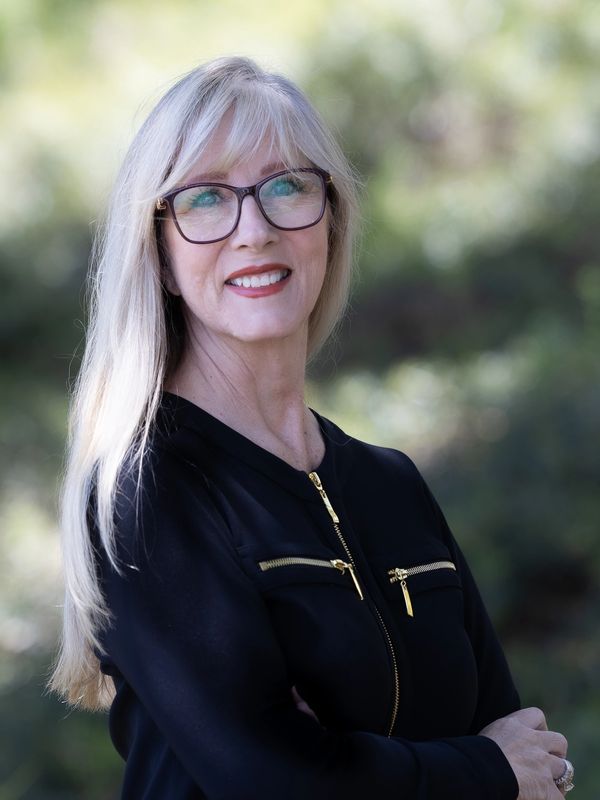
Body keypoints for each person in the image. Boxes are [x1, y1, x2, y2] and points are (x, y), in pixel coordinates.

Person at [49, 56, 574, 799]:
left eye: (287, 186)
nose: (254, 230)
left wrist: (350, 758)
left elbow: (529, 749)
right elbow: (267, 777)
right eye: (205, 199)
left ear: (331, 219)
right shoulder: (148, 489)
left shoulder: (390, 483)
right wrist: (482, 771)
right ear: (161, 253)